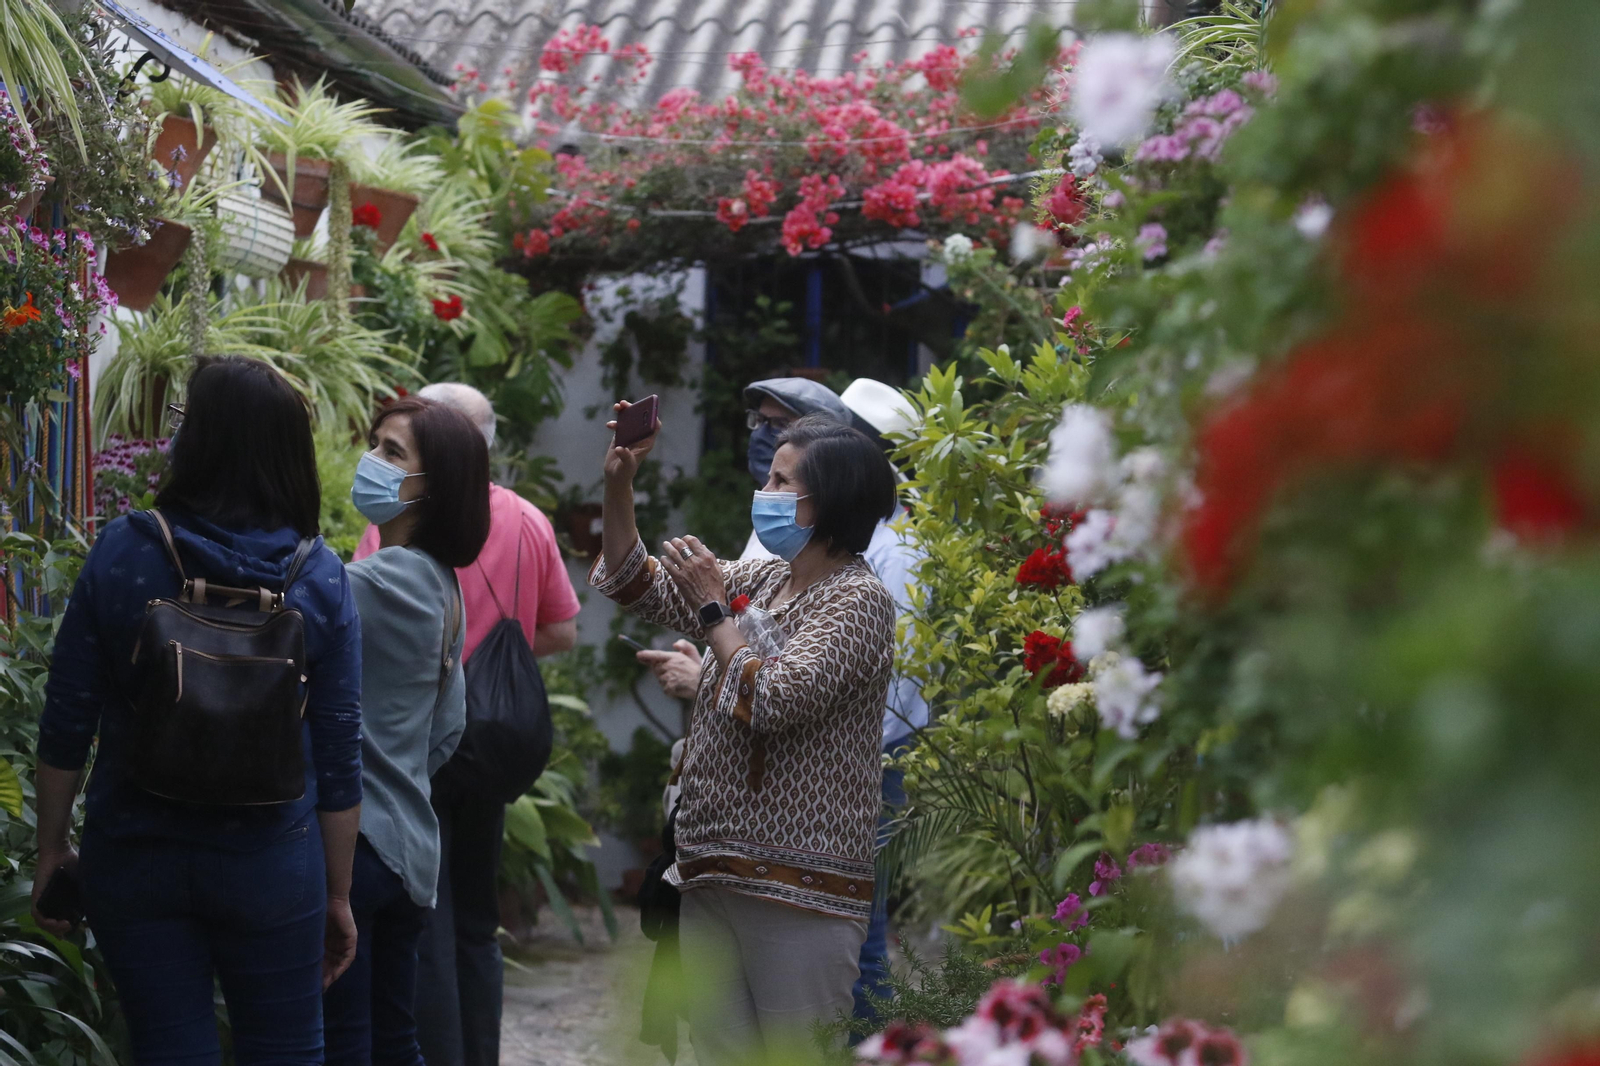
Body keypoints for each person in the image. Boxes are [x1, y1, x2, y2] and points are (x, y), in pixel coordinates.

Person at [32, 356, 363, 1065]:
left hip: (138, 852)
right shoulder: (322, 577)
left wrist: (52, 848)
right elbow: (338, 757)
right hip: (273, 862)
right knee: (288, 1052)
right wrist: (338, 893)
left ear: (202, 440)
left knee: (169, 1049)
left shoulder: (126, 552)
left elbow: (67, 720)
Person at [597, 405, 898, 1064]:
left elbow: (777, 698)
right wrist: (620, 482)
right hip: (713, 869)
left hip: (802, 890)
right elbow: (633, 582)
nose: (764, 490)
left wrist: (712, 608)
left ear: (832, 503)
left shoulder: (858, 601)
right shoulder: (765, 580)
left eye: (783, 483)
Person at [352, 382, 581, 1066]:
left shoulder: (391, 540)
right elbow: (562, 631)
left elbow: (352, 622)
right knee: (478, 921)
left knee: (428, 921)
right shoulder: (528, 521)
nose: (377, 460)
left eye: (394, 448)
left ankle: (438, 1047)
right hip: (488, 740)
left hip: (407, 742)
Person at [323, 397, 491, 1065]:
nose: (373, 462)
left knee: (347, 1042)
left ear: (434, 488)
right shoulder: (441, 584)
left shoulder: (385, 577)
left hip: (356, 844)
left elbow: (287, 599)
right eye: (376, 444)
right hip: (408, 848)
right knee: (393, 1037)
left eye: (394, 454)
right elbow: (448, 729)